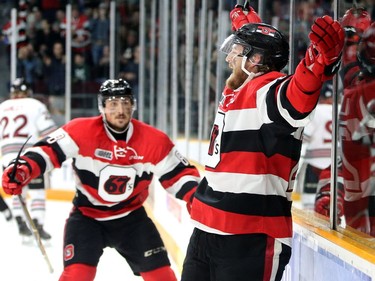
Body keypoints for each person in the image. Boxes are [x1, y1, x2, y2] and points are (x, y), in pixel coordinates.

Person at [180, 4, 345, 281]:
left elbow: (295, 97)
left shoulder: (266, 88)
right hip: (206, 230)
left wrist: (318, 62)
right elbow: (261, 53)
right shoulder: (240, 86)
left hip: (251, 237)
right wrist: (250, 26)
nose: (229, 56)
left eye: (237, 49)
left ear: (254, 60)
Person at [1, 78, 200, 281]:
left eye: (125, 102)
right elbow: (48, 151)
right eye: (113, 103)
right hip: (87, 218)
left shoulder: (154, 140)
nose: (120, 110)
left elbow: (179, 173)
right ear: (102, 107)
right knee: (76, 276)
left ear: (133, 105)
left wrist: (196, 196)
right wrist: (24, 169)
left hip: (132, 220)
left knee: (163, 277)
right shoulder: (81, 131)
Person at [315, 22, 375, 236]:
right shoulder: (357, 96)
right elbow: (349, 160)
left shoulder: (354, 96)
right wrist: (331, 191)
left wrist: (330, 189)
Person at [0, 78, 57, 240]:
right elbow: (50, 132)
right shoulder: (35, 104)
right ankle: (38, 224)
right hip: (30, 156)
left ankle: (20, 221)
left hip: (7, 156)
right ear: (28, 92)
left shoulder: (2, 107)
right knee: (37, 191)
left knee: (18, 191)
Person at [297, 81, 334, 210]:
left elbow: (304, 139)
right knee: (331, 197)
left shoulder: (316, 111)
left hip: (314, 163)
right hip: (335, 163)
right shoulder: (340, 109)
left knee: (309, 199)